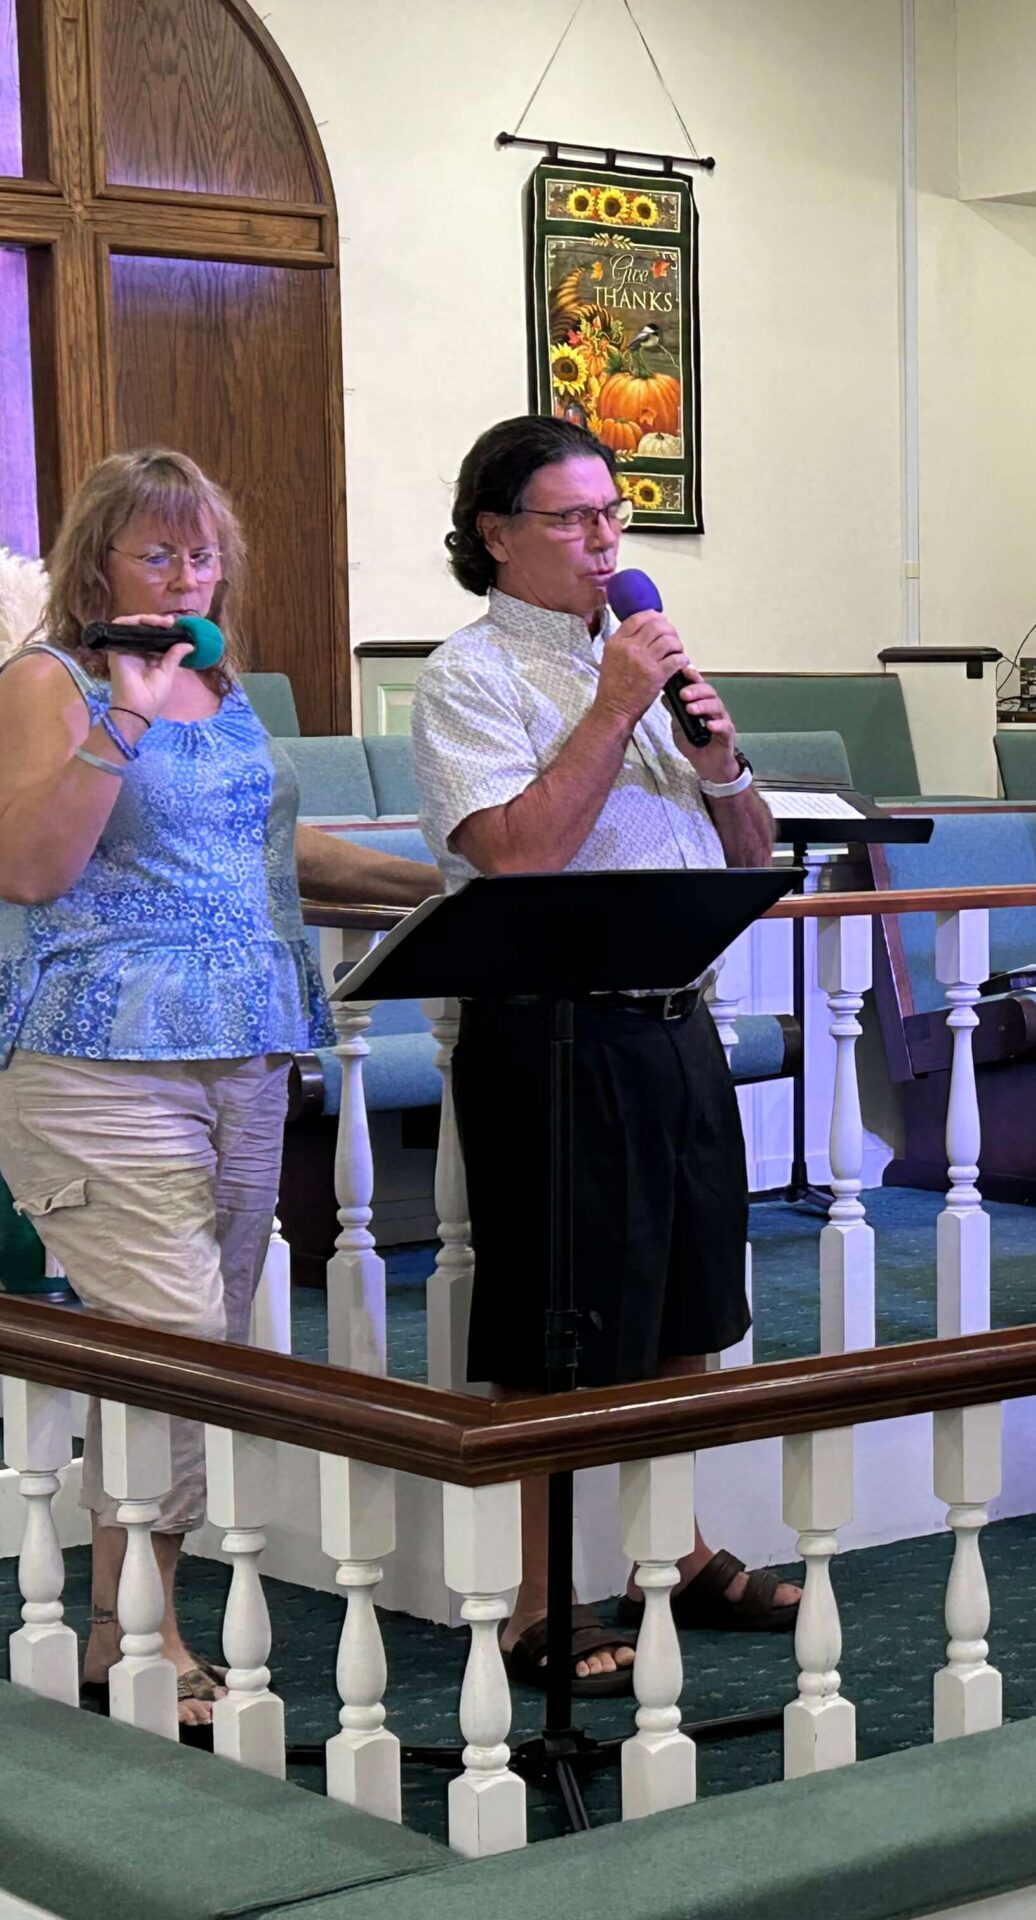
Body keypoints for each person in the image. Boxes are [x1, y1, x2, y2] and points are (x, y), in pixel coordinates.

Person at [0, 448, 437, 1729]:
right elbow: (29, 865)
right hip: (98, 1058)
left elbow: (265, 846)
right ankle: (148, 1639)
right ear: (97, 564)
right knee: (179, 1341)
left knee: (201, 1351)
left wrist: (441, 888)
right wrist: (124, 716)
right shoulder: (47, 679)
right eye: (158, 553)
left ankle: (116, 1624)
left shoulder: (220, 684)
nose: (188, 576)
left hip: (246, 1052)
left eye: (203, 554)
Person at [410, 415, 796, 1696]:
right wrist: (614, 706)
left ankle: (670, 1550)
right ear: (495, 534)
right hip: (552, 1033)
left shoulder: (641, 665)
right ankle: (537, 1596)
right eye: (573, 518)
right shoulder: (471, 676)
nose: (604, 541)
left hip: (676, 1022)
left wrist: (719, 761)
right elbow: (517, 853)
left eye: (613, 515)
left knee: (689, 1308)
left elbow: (751, 856)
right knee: (556, 1326)